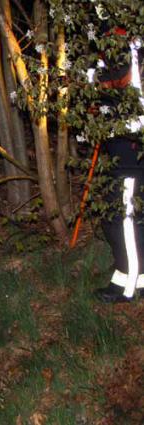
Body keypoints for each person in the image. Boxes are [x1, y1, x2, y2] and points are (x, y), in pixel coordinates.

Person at [89, 4, 144, 303]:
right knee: (131, 212)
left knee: (121, 215)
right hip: (126, 136)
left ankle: (128, 285)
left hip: (129, 137)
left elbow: (117, 83)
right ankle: (138, 276)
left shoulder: (122, 38)